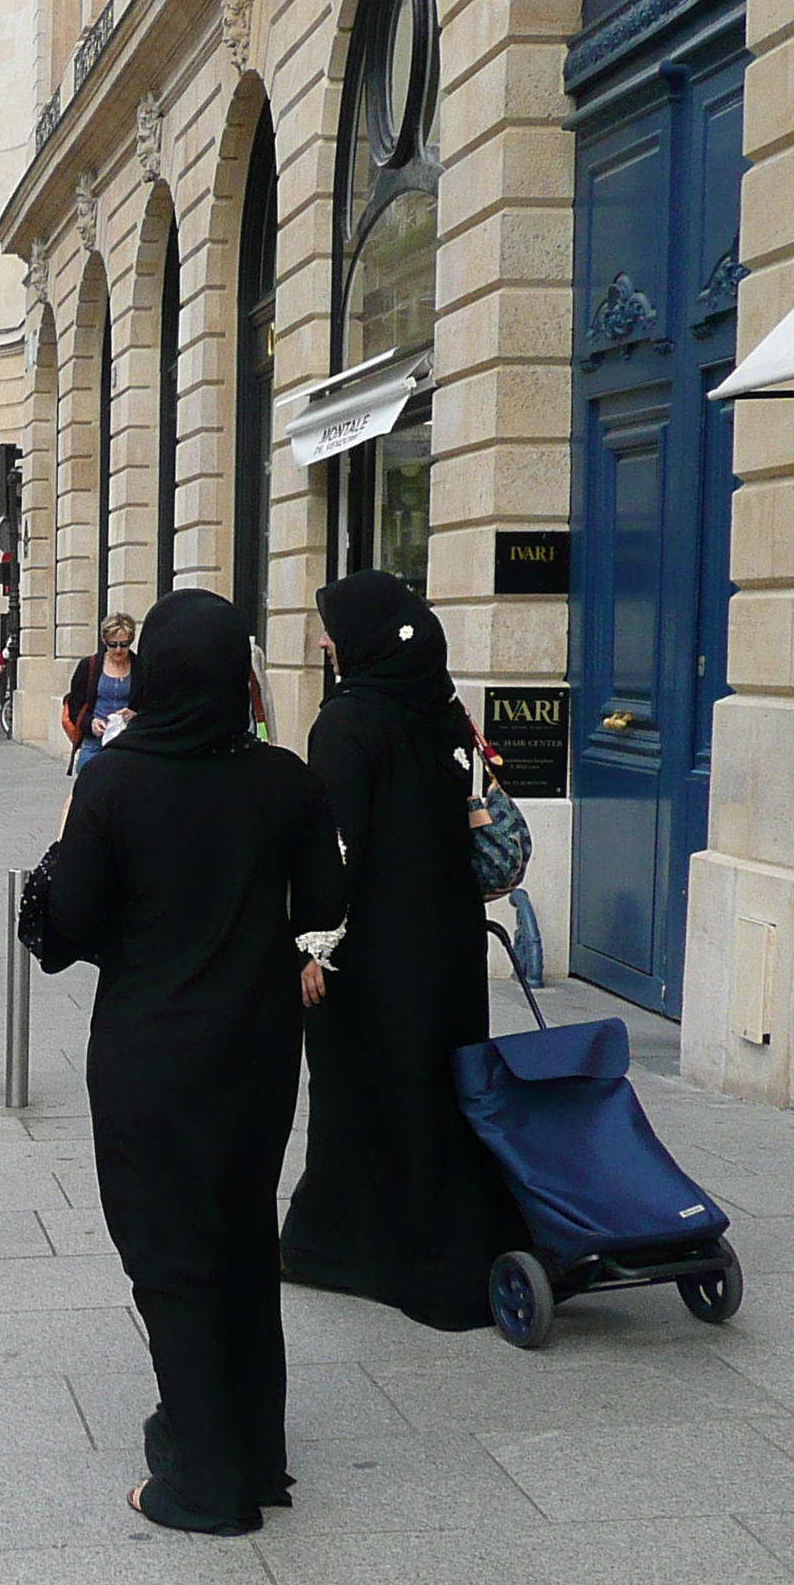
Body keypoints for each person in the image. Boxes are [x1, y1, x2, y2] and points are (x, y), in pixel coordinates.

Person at [36, 590, 345, 1535]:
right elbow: (325, 904)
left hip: (151, 1052)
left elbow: (66, 927)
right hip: (256, 1052)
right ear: (238, 676)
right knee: (241, 1237)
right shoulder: (285, 780)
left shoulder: (117, 781)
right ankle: (253, 1452)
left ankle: (204, 1482)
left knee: (168, 1254)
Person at [281, 569, 524, 1332]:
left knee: (361, 1092)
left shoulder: (348, 722)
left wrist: (313, 946)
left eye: (331, 628)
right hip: (447, 946)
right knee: (440, 1092)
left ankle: (352, 1249)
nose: (324, 640)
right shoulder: (443, 711)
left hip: (374, 954)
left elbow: (335, 848)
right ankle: (455, 1243)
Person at [63, 614, 140, 767]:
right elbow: (75, 706)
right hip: (94, 744)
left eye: (124, 644)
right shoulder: (89, 666)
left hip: (129, 744)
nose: (118, 650)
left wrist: (135, 715)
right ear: (104, 640)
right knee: (88, 788)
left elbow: (152, 704)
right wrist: (91, 723)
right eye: (113, 644)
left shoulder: (140, 668)